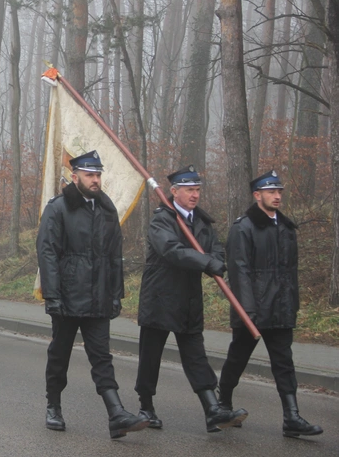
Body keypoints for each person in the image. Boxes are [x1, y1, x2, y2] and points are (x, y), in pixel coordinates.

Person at [37, 151, 147, 439]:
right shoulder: (58, 208)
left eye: (98, 175)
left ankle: (116, 414)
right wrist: (52, 295)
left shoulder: (106, 209)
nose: (95, 180)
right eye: (90, 175)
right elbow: (47, 252)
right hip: (67, 296)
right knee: (59, 355)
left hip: (98, 295)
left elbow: (114, 255)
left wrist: (116, 294)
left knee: (102, 357)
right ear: (75, 177)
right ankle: (53, 406)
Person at [135, 165, 248, 433]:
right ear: (174, 192)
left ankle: (212, 409)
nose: (194, 195)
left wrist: (215, 262)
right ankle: (146, 406)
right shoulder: (162, 219)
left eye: (197, 190)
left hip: (188, 300)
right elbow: (171, 250)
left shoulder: (203, 223)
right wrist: (206, 262)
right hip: (160, 296)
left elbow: (217, 251)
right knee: (151, 356)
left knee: (196, 356)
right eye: (189, 190)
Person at [218, 171, 322, 437]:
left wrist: (292, 304)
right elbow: (239, 271)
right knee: (237, 359)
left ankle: (292, 417)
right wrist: (247, 311)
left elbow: (290, 272)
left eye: (279, 192)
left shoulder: (287, 227)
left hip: (281, 308)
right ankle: (223, 403)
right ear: (257, 195)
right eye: (271, 192)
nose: (277, 196)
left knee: (284, 363)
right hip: (251, 310)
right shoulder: (243, 227)